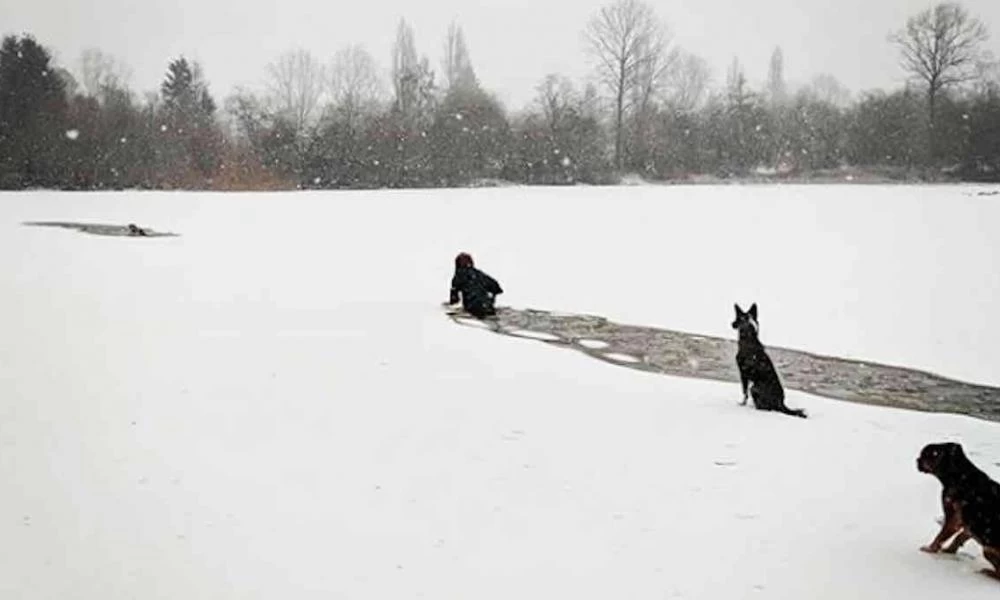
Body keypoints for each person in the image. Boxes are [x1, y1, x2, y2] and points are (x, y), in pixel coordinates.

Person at [448, 252, 503, 318]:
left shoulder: (458, 276)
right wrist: (491, 298)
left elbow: (454, 298)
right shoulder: (479, 274)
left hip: (472, 307)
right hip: (488, 305)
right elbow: (496, 287)